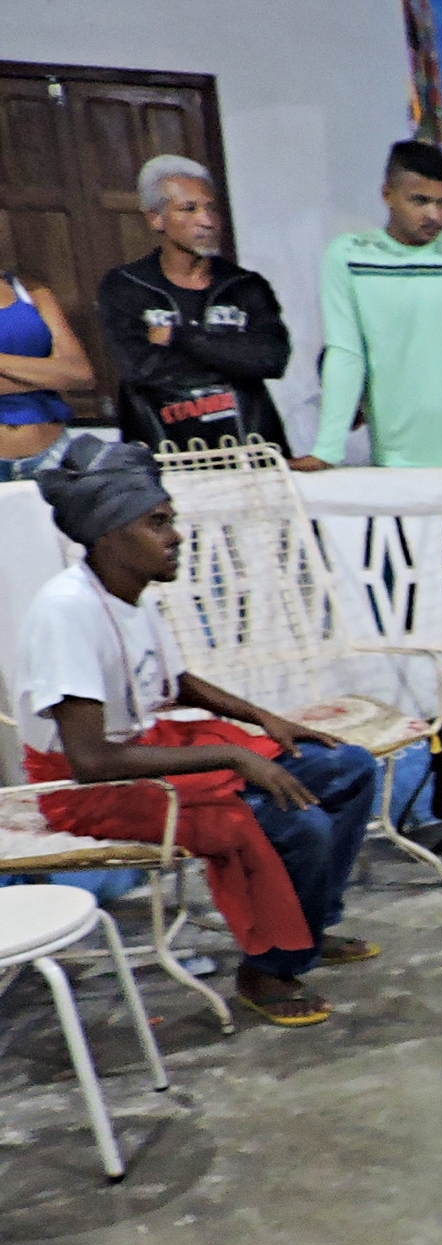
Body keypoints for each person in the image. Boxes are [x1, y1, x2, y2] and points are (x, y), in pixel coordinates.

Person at [15, 438, 381, 1027]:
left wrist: (262, 720)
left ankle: (310, 927)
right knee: (295, 819)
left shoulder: (132, 595)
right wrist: (236, 758)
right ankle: (269, 967)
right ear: (108, 534)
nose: (176, 535)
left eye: (172, 520)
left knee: (349, 768)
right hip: (89, 790)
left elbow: (174, 680)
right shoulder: (67, 611)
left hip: (146, 750)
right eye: (158, 523)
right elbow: (87, 761)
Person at [298, 141, 442, 472]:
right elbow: (346, 353)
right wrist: (327, 450)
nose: (433, 215)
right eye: (419, 201)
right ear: (388, 195)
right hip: (397, 460)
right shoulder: (350, 256)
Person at [98, 155, 294, 454]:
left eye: (211, 208)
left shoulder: (245, 285)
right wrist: (233, 356)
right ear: (156, 218)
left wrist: (179, 337)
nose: (207, 221)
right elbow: (139, 367)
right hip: (165, 455)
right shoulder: (126, 286)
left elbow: (271, 358)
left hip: (251, 450)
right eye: (189, 209)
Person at [0, 268, 94, 482]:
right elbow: (66, 375)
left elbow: (80, 374)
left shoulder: (31, 290)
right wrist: (49, 375)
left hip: (53, 454)